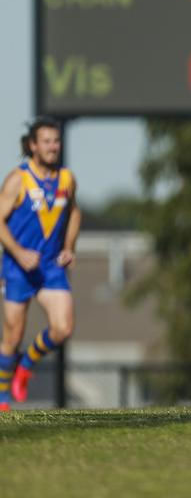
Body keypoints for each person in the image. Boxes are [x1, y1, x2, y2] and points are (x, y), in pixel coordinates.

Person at [0, 118, 79, 410]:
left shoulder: (67, 179)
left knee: (63, 328)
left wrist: (69, 247)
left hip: (49, 267)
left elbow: (74, 213)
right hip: (18, 268)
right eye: (46, 141)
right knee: (12, 336)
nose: (53, 147)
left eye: (56, 141)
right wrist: (19, 252)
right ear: (33, 145)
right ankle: (2, 398)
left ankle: (27, 365)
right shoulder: (18, 180)